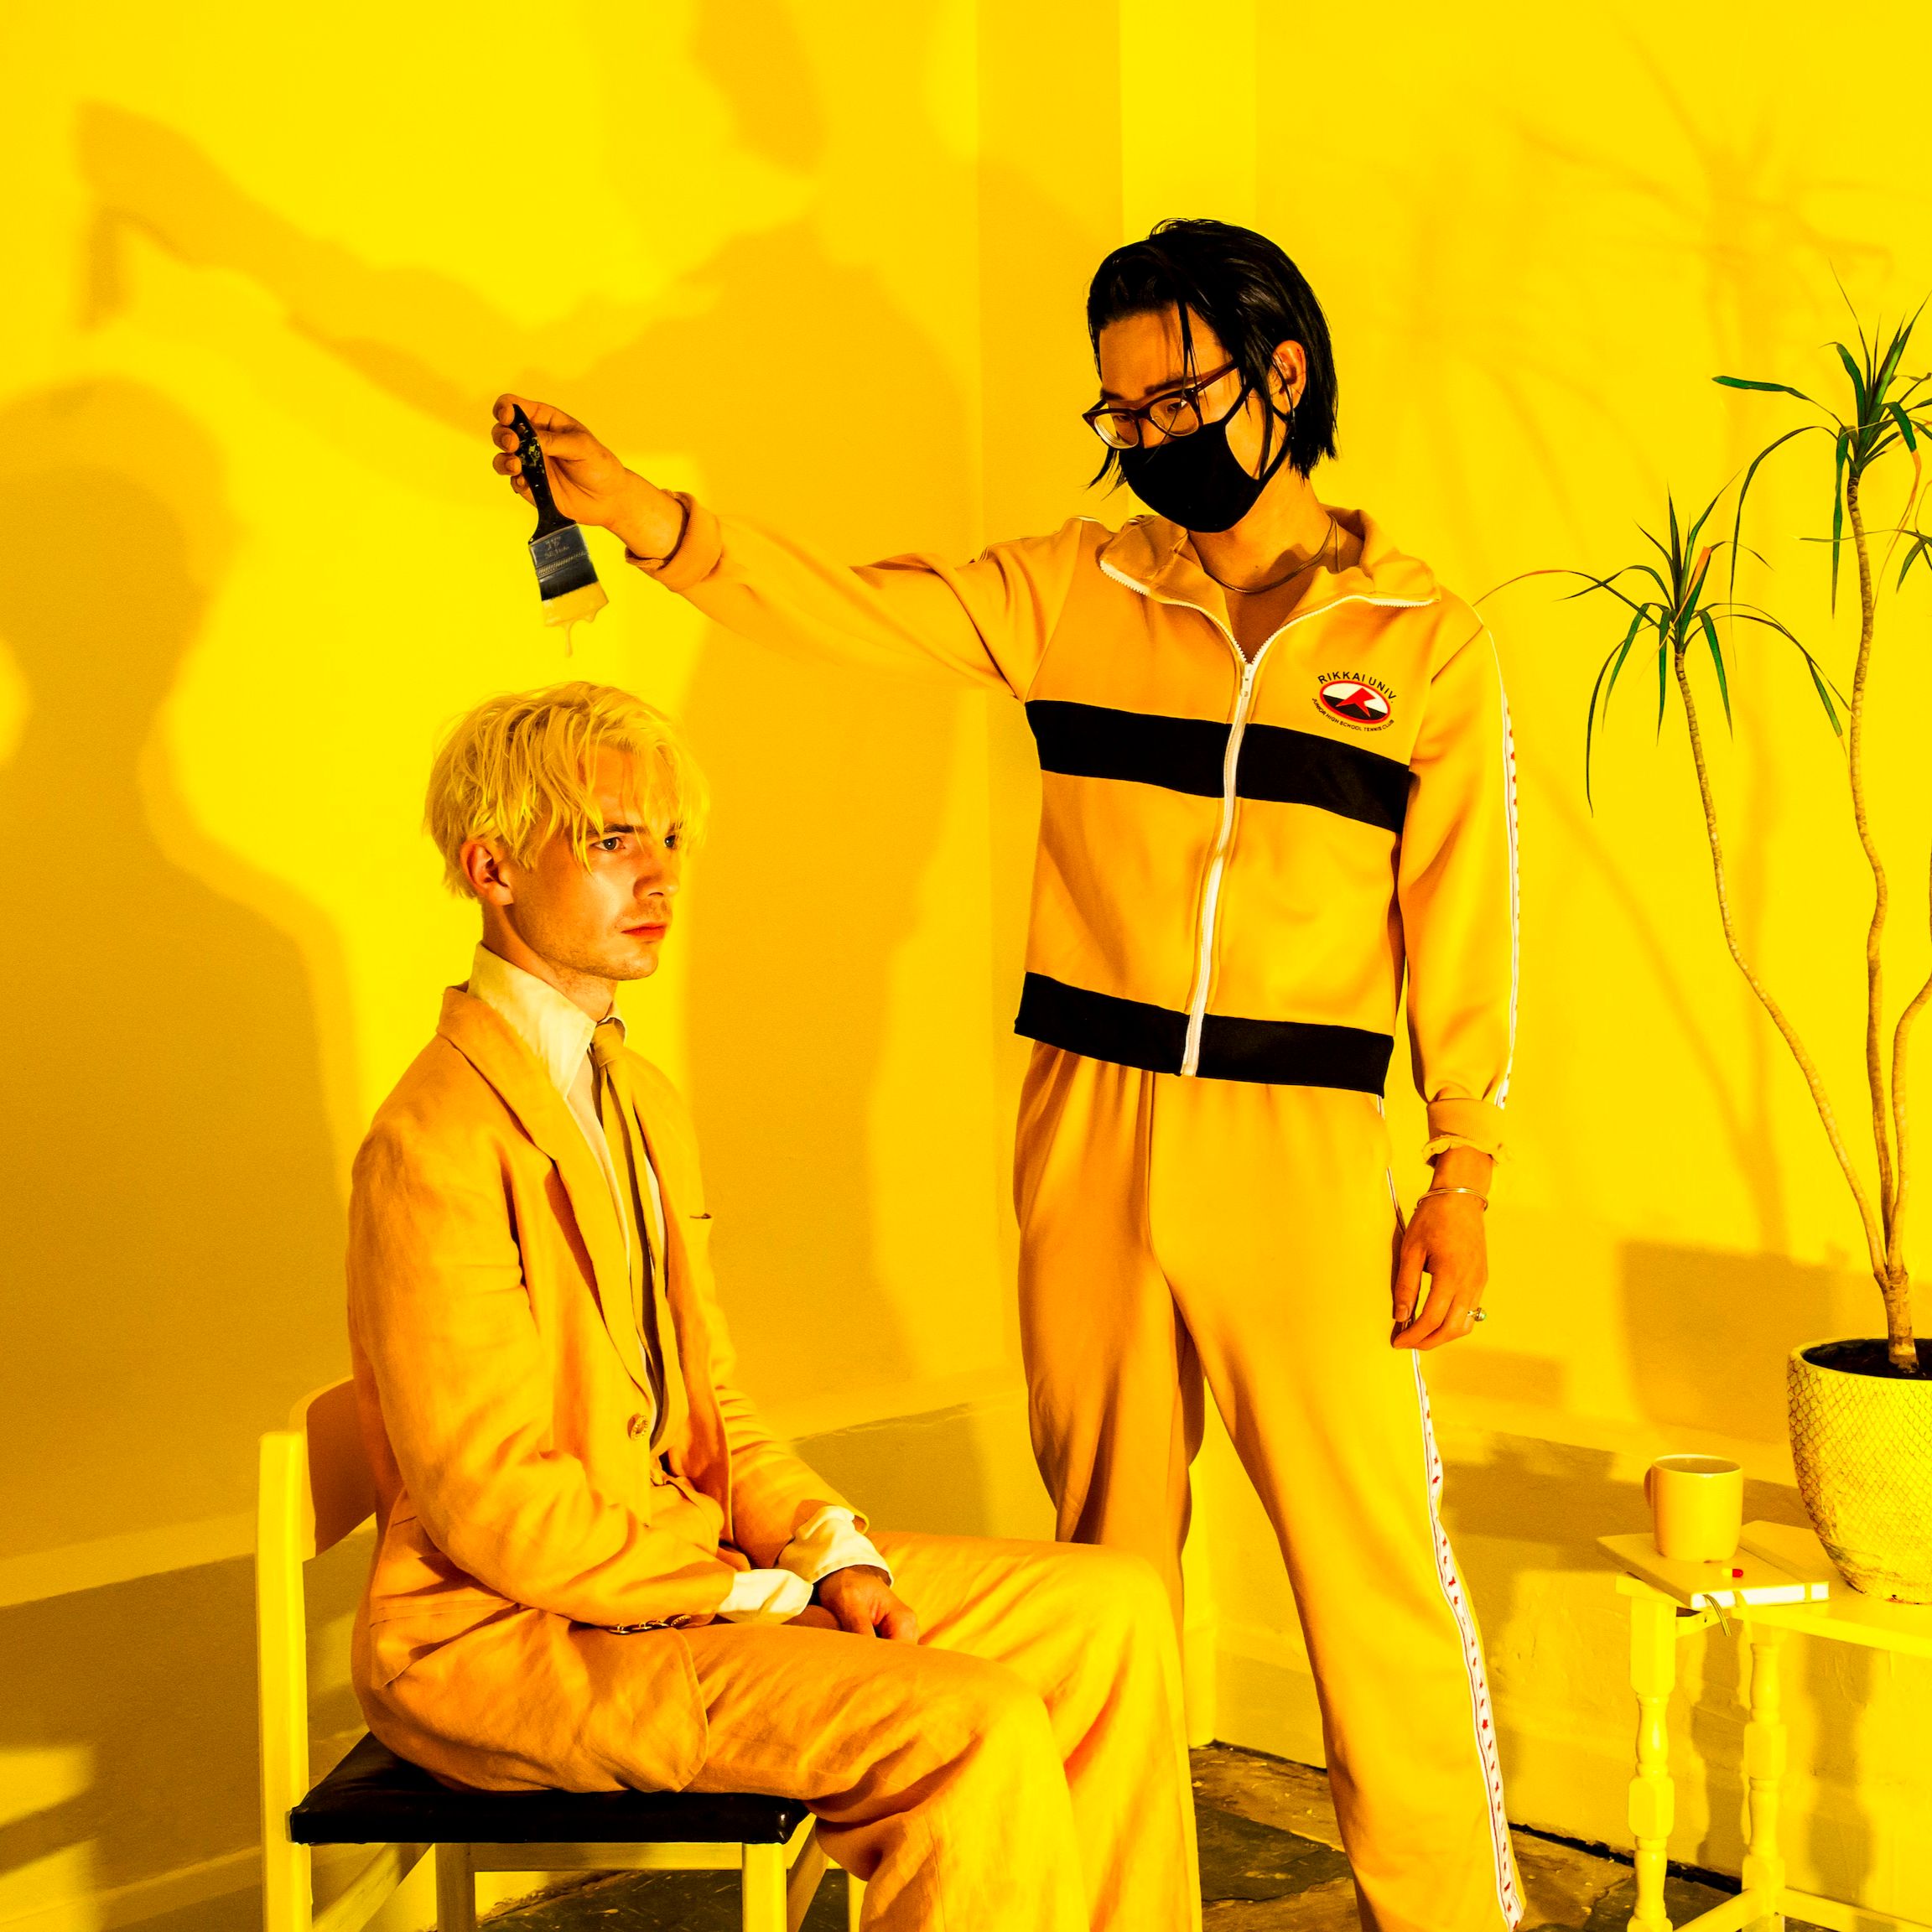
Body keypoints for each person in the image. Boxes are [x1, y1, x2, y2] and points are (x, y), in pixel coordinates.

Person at [489, 218, 1523, 1932]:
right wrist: (642, 515)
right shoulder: (1074, 590)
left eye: (1177, 397)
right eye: (1120, 413)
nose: (1150, 437)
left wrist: (1464, 1173)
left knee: (1371, 1579)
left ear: (1282, 375)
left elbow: (1464, 921)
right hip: (1086, 1128)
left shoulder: (1424, 642)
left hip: (1301, 1148)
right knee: (1104, 1572)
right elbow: (846, 605)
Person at [345, 683, 1199, 1932]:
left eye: (670, 838)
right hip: (514, 1637)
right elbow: (492, 1502)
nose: (660, 876)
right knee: (972, 1723)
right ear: (492, 868)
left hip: (690, 1564)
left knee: (1110, 1611)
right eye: (611, 839)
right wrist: (744, 1591)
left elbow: (712, 1403)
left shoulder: (638, 1098)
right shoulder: (432, 1142)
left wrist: (827, 1548)